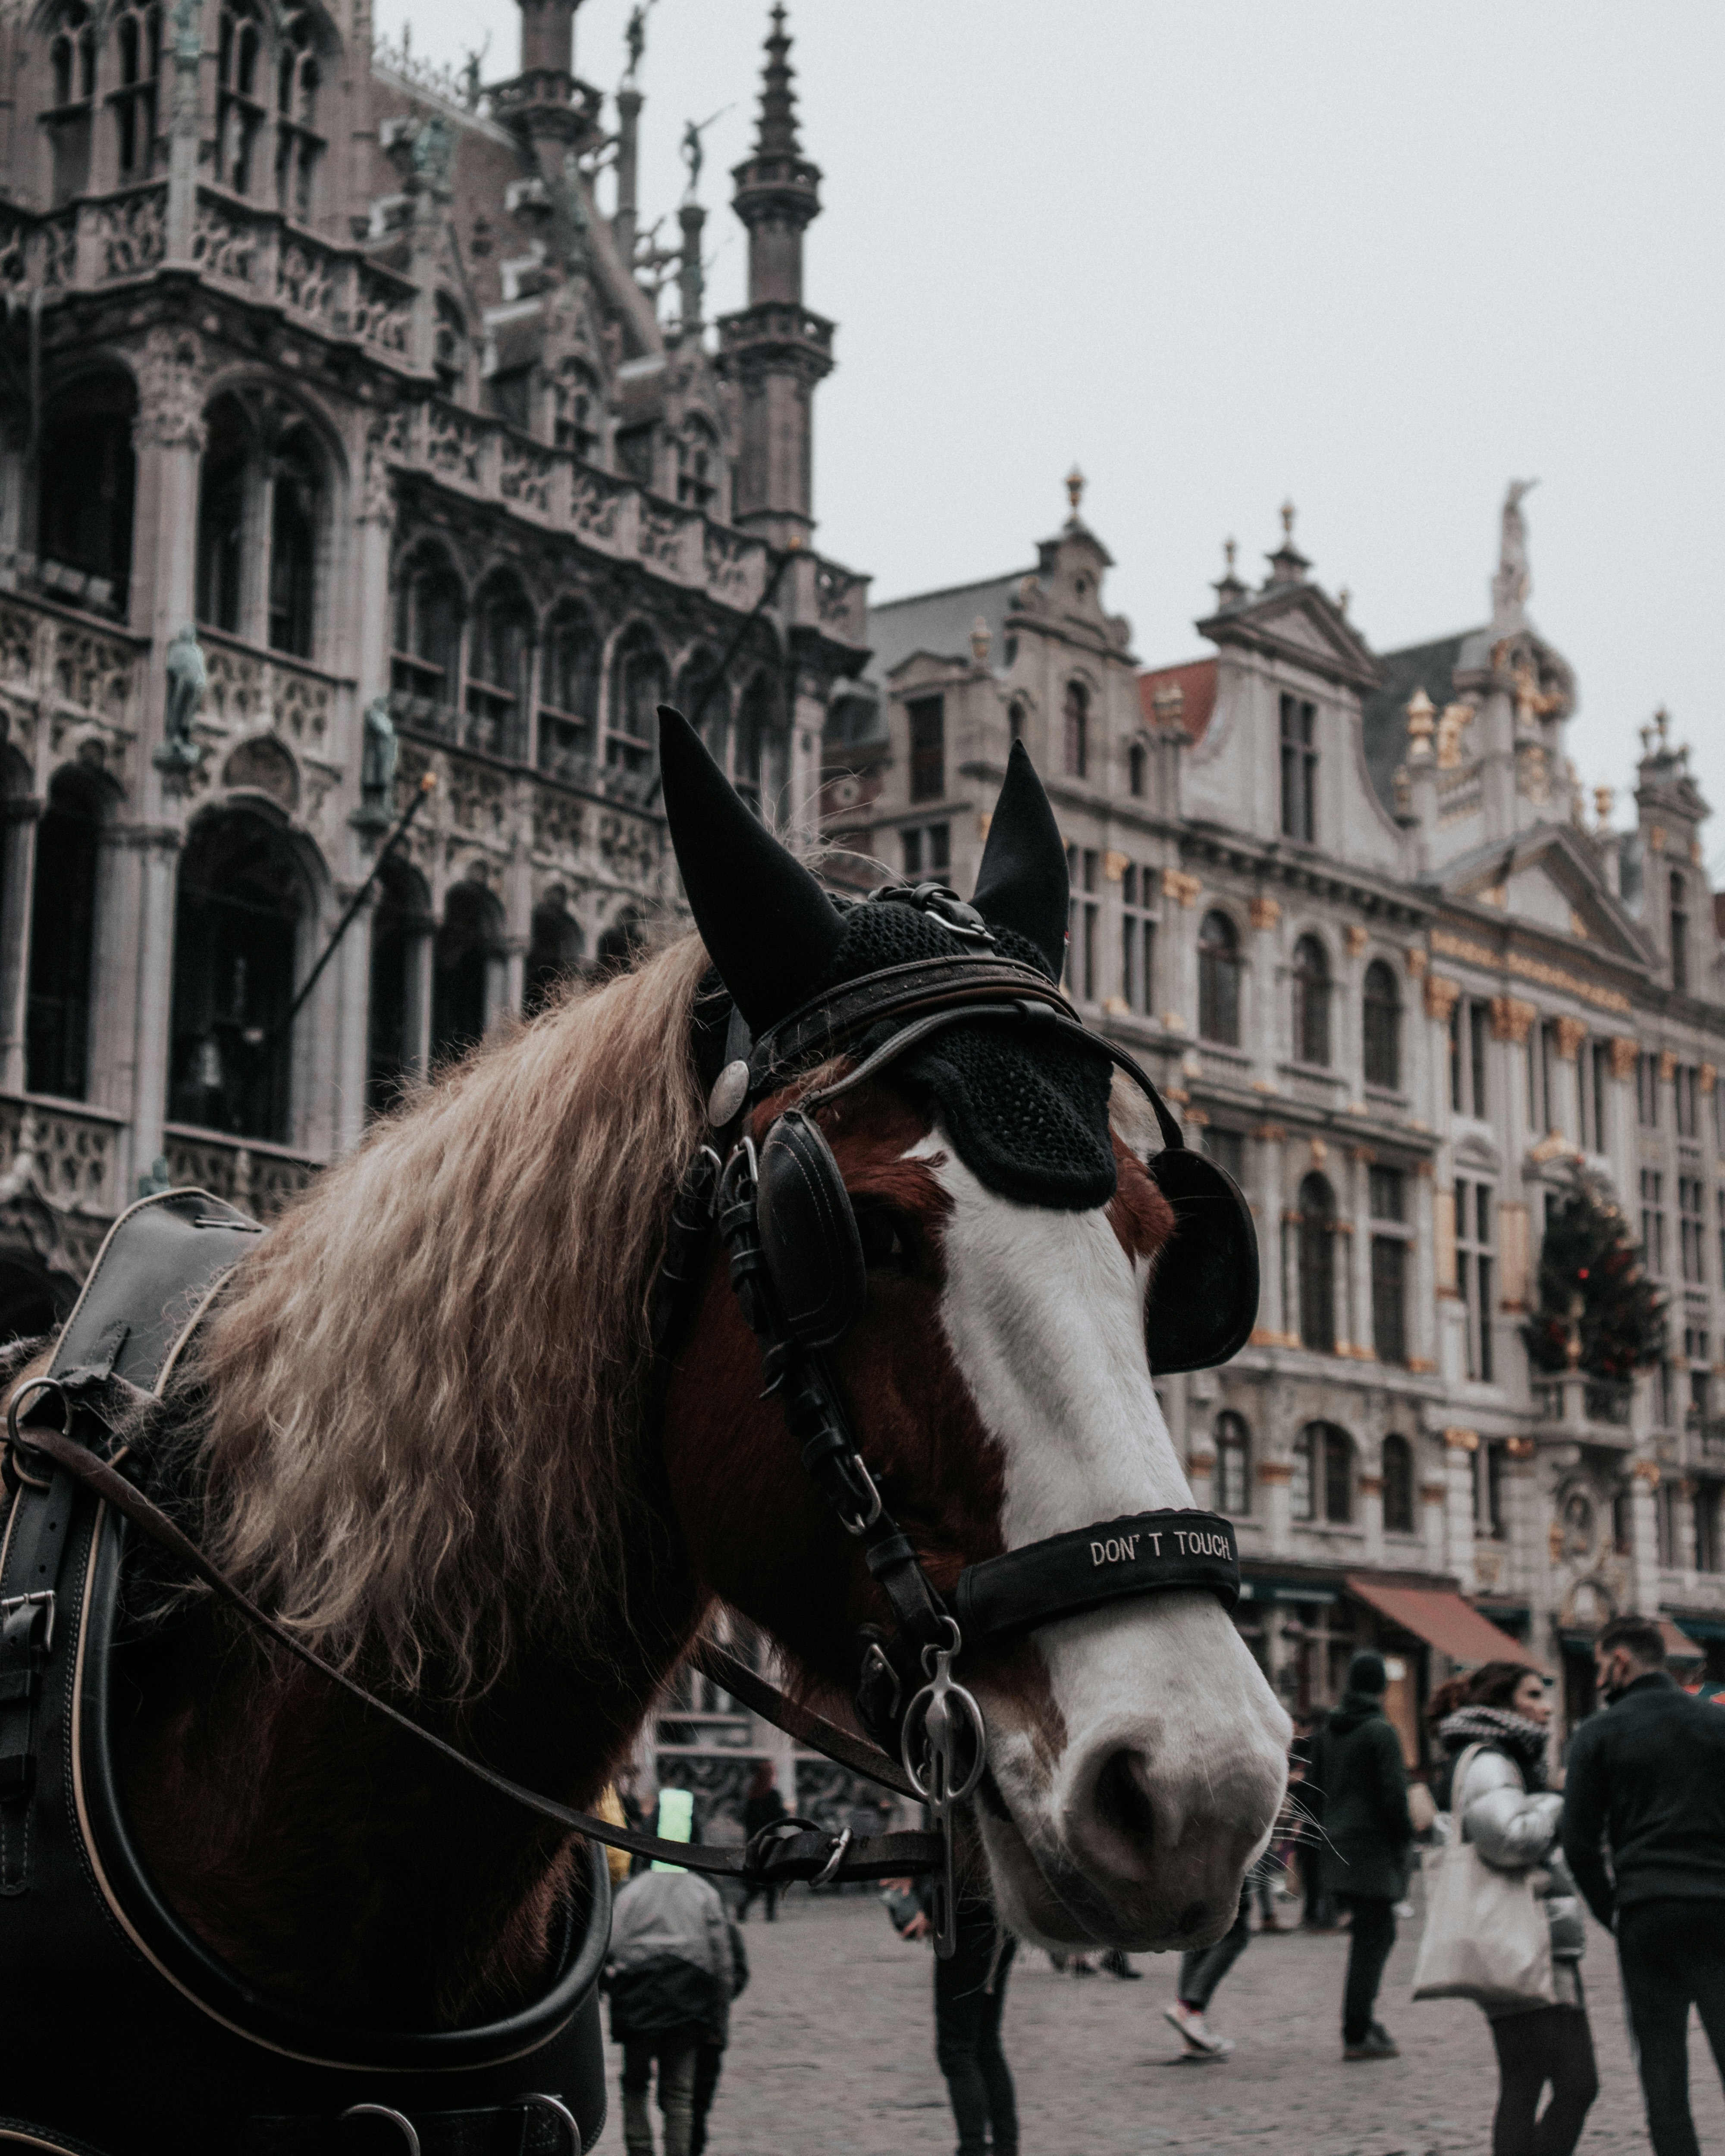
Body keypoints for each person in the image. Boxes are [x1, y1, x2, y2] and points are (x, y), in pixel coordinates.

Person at [1560, 1613, 1725, 2156]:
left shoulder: (1596, 1733)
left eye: (1601, 1663)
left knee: (1662, 2074)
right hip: (1717, 1904)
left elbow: (1579, 1844)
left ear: (1620, 1659)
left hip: (1647, 1910)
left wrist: (1617, 1911)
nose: (1599, 1674)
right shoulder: (1715, 1722)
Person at [1435, 1660, 1597, 2156]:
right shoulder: (1492, 1760)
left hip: (1530, 1940)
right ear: (1504, 1704)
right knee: (1575, 2082)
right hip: (1527, 1944)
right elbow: (1507, 1836)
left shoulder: (1508, 1758)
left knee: (1525, 2083)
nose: (1547, 1706)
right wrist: (1559, 1800)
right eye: (1533, 1694)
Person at [605, 1793, 748, 2156]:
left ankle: (640, 2151)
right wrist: (718, 2016)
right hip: (688, 2006)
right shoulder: (705, 1894)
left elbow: (612, 1949)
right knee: (680, 2093)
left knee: (635, 2086)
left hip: (638, 2003)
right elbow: (724, 1966)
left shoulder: (631, 1894)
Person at [1305, 1649, 1414, 2060]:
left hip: (1337, 1846)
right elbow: (1393, 1795)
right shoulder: (1379, 1731)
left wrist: (1316, 1850)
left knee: (1369, 1937)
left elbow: (1312, 1795)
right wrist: (1405, 1838)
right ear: (1381, 1685)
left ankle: (1363, 2022)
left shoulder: (1329, 1732)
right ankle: (1357, 2029)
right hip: (1372, 1848)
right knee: (1376, 1938)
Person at [896, 1885, 1018, 2156]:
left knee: (957, 2049)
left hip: (968, 1926)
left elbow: (959, 1869)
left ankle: (973, 2148)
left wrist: (929, 1910)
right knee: (986, 2043)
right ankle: (1005, 2146)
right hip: (1002, 1924)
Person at [737, 1761, 786, 1922]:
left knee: (757, 1882)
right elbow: (780, 1817)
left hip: (754, 1844)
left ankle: (745, 1907)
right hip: (770, 1843)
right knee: (771, 1878)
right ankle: (770, 1915)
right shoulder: (772, 1795)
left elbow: (745, 1819)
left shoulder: (752, 1795)